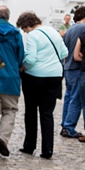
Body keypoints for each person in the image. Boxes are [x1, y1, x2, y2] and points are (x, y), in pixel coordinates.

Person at [18, 11, 68, 159]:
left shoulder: (33, 35)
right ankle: (47, 150)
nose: (24, 32)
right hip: (55, 76)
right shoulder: (53, 31)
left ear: (27, 25)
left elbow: (31, 59)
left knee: (31, 111)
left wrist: (22, 67)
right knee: (47, 113)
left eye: (24, 29)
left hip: (35, 77)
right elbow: (64, 52)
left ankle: (29, 146)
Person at [0, 6, 24, 158]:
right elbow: (20, 56)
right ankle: (2, 137)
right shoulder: (15, 33)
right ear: (8, 17)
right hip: (10, 77)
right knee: (10, 110)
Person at [60, 6, 85, 138]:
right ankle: (69, 127)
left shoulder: (70, 29)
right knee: (77, 99)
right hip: (78, 67)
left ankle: (64, 124)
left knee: (69, 97)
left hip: (68, 67)